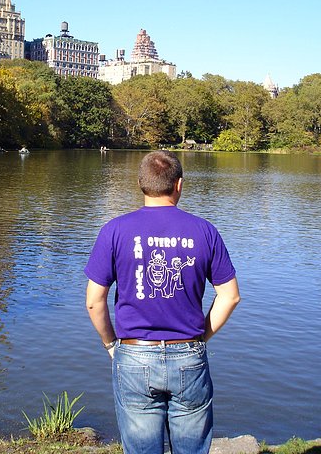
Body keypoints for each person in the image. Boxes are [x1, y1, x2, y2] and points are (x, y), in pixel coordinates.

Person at [84, 150, 240, 454]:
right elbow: (230, 296)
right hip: (189, 356)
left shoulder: (114, 231)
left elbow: (94, 302)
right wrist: (199, 339)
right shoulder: (205, 231)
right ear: (178, 185)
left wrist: (110, 344)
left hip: (133, 354)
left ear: (142, 184)